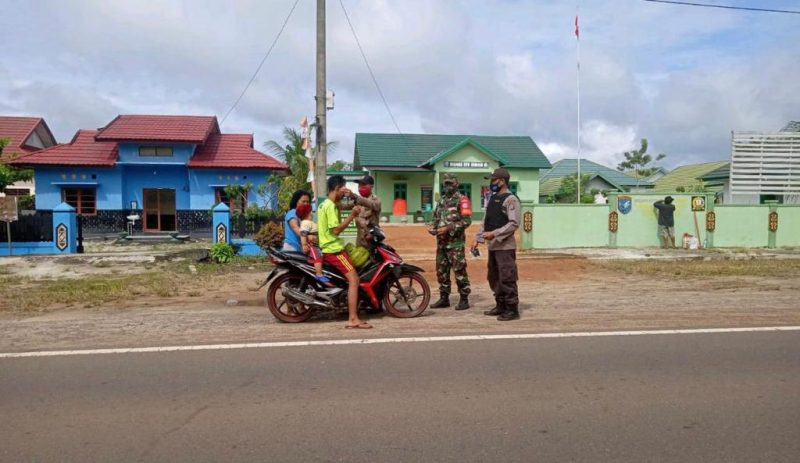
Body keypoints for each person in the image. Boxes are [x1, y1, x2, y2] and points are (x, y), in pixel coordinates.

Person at [318, 175, 370, 329]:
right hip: (334, 250)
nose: (344, 191)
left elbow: (344, 205)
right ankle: (353, 318)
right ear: (336, 188)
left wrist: (351, 196)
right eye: (343, 188)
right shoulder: (331, 207)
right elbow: (336, 230)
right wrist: (352, 216)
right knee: (354, 280)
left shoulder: (325, 204)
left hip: (330, 248)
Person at [472, 167, 521, 321]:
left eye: (494, 180)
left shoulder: (511, 199)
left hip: (505, 247)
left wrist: (494, 233)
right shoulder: (492, 199)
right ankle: (500, 306)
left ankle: (512, 309)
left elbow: (514, 223)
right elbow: (486, 222)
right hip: (493, 247)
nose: (492, 183)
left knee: (507, 277)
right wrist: (477, 238)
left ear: (502, 181)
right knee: (494, 277)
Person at [429, 173, 472, 310]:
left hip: (455, 244)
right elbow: (435, 217)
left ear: (456, 184)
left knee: (459, 270)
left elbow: (466, 221)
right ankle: (444, 298)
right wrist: (433, 227)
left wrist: (448, 228)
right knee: (441, 271)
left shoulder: (462, 200)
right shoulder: (441, 201)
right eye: (445, 183)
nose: (447, 186)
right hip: (441, 243)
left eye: (450, 184)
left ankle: (464, 298)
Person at [295, 202, 331, 286]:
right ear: (307, 213)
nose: (312, 213)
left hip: (316, 245)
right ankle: (318, 274)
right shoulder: (305, 223)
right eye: (311, 211)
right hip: (312, 246)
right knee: (318, 257)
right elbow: (303, 234)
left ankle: (320, 271)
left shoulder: (309, 222)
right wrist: (304, 245)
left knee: (321, 257)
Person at [352, 174, 382, 248]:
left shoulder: (376, 200)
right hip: (360, 241)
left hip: (372, 240)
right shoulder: (357, 201)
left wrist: (356, 197)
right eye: (359, 185)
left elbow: (374, 205)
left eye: (363, 184)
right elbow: (344, 206)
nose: (360, 187)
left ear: (371, 186)